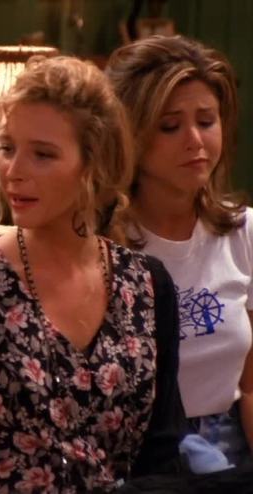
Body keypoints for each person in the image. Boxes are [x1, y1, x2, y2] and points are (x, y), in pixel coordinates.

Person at [0, 56, 186, 493]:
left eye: (42, 154)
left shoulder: (148, 286)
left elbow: (161, 456)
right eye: (7, 149)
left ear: (94, 165)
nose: (14, 171)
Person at [106, 35, 253, 470]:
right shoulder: (104, 244)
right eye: (170, 126)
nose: (195, 140)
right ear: (131, 135)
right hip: (136, 454)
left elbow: (252, 386)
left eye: (206, 121)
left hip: (229, 443)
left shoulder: (243, 232)